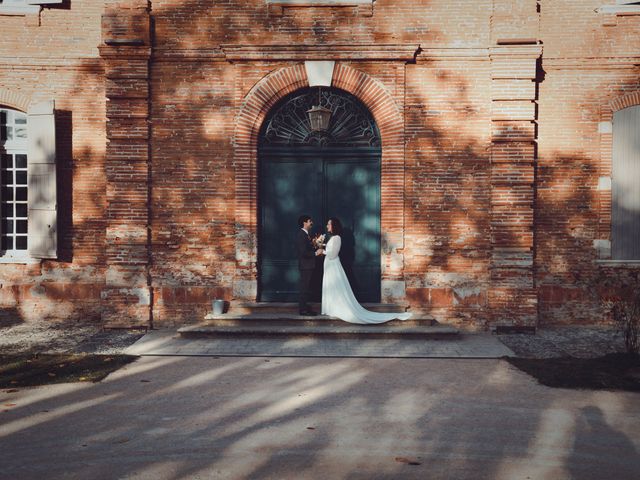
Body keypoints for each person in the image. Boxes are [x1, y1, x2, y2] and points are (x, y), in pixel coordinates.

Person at [318, 217, 411, 324]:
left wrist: (322, 251)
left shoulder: (336, 238)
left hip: (333, 265)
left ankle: (336, 308)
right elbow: (331, 249)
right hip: (330, 266)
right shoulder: (333, 238)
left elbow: (332, 254)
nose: (327, 226)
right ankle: (331, 308)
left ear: (334, 225)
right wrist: (322, 245)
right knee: (331, 286)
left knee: (335, 286)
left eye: (329, 224)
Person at [297, 214, 322, 316]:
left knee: (306, 288)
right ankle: (303, 310)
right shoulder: (301, 235)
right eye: (310, 221)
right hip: (306, 266)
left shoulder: (306, 234)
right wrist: (316, 253)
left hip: (308, 266)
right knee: (304, 288)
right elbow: (303, 252)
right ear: (304, 223)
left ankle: (306, 308)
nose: (311, 223)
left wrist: (316, 244)